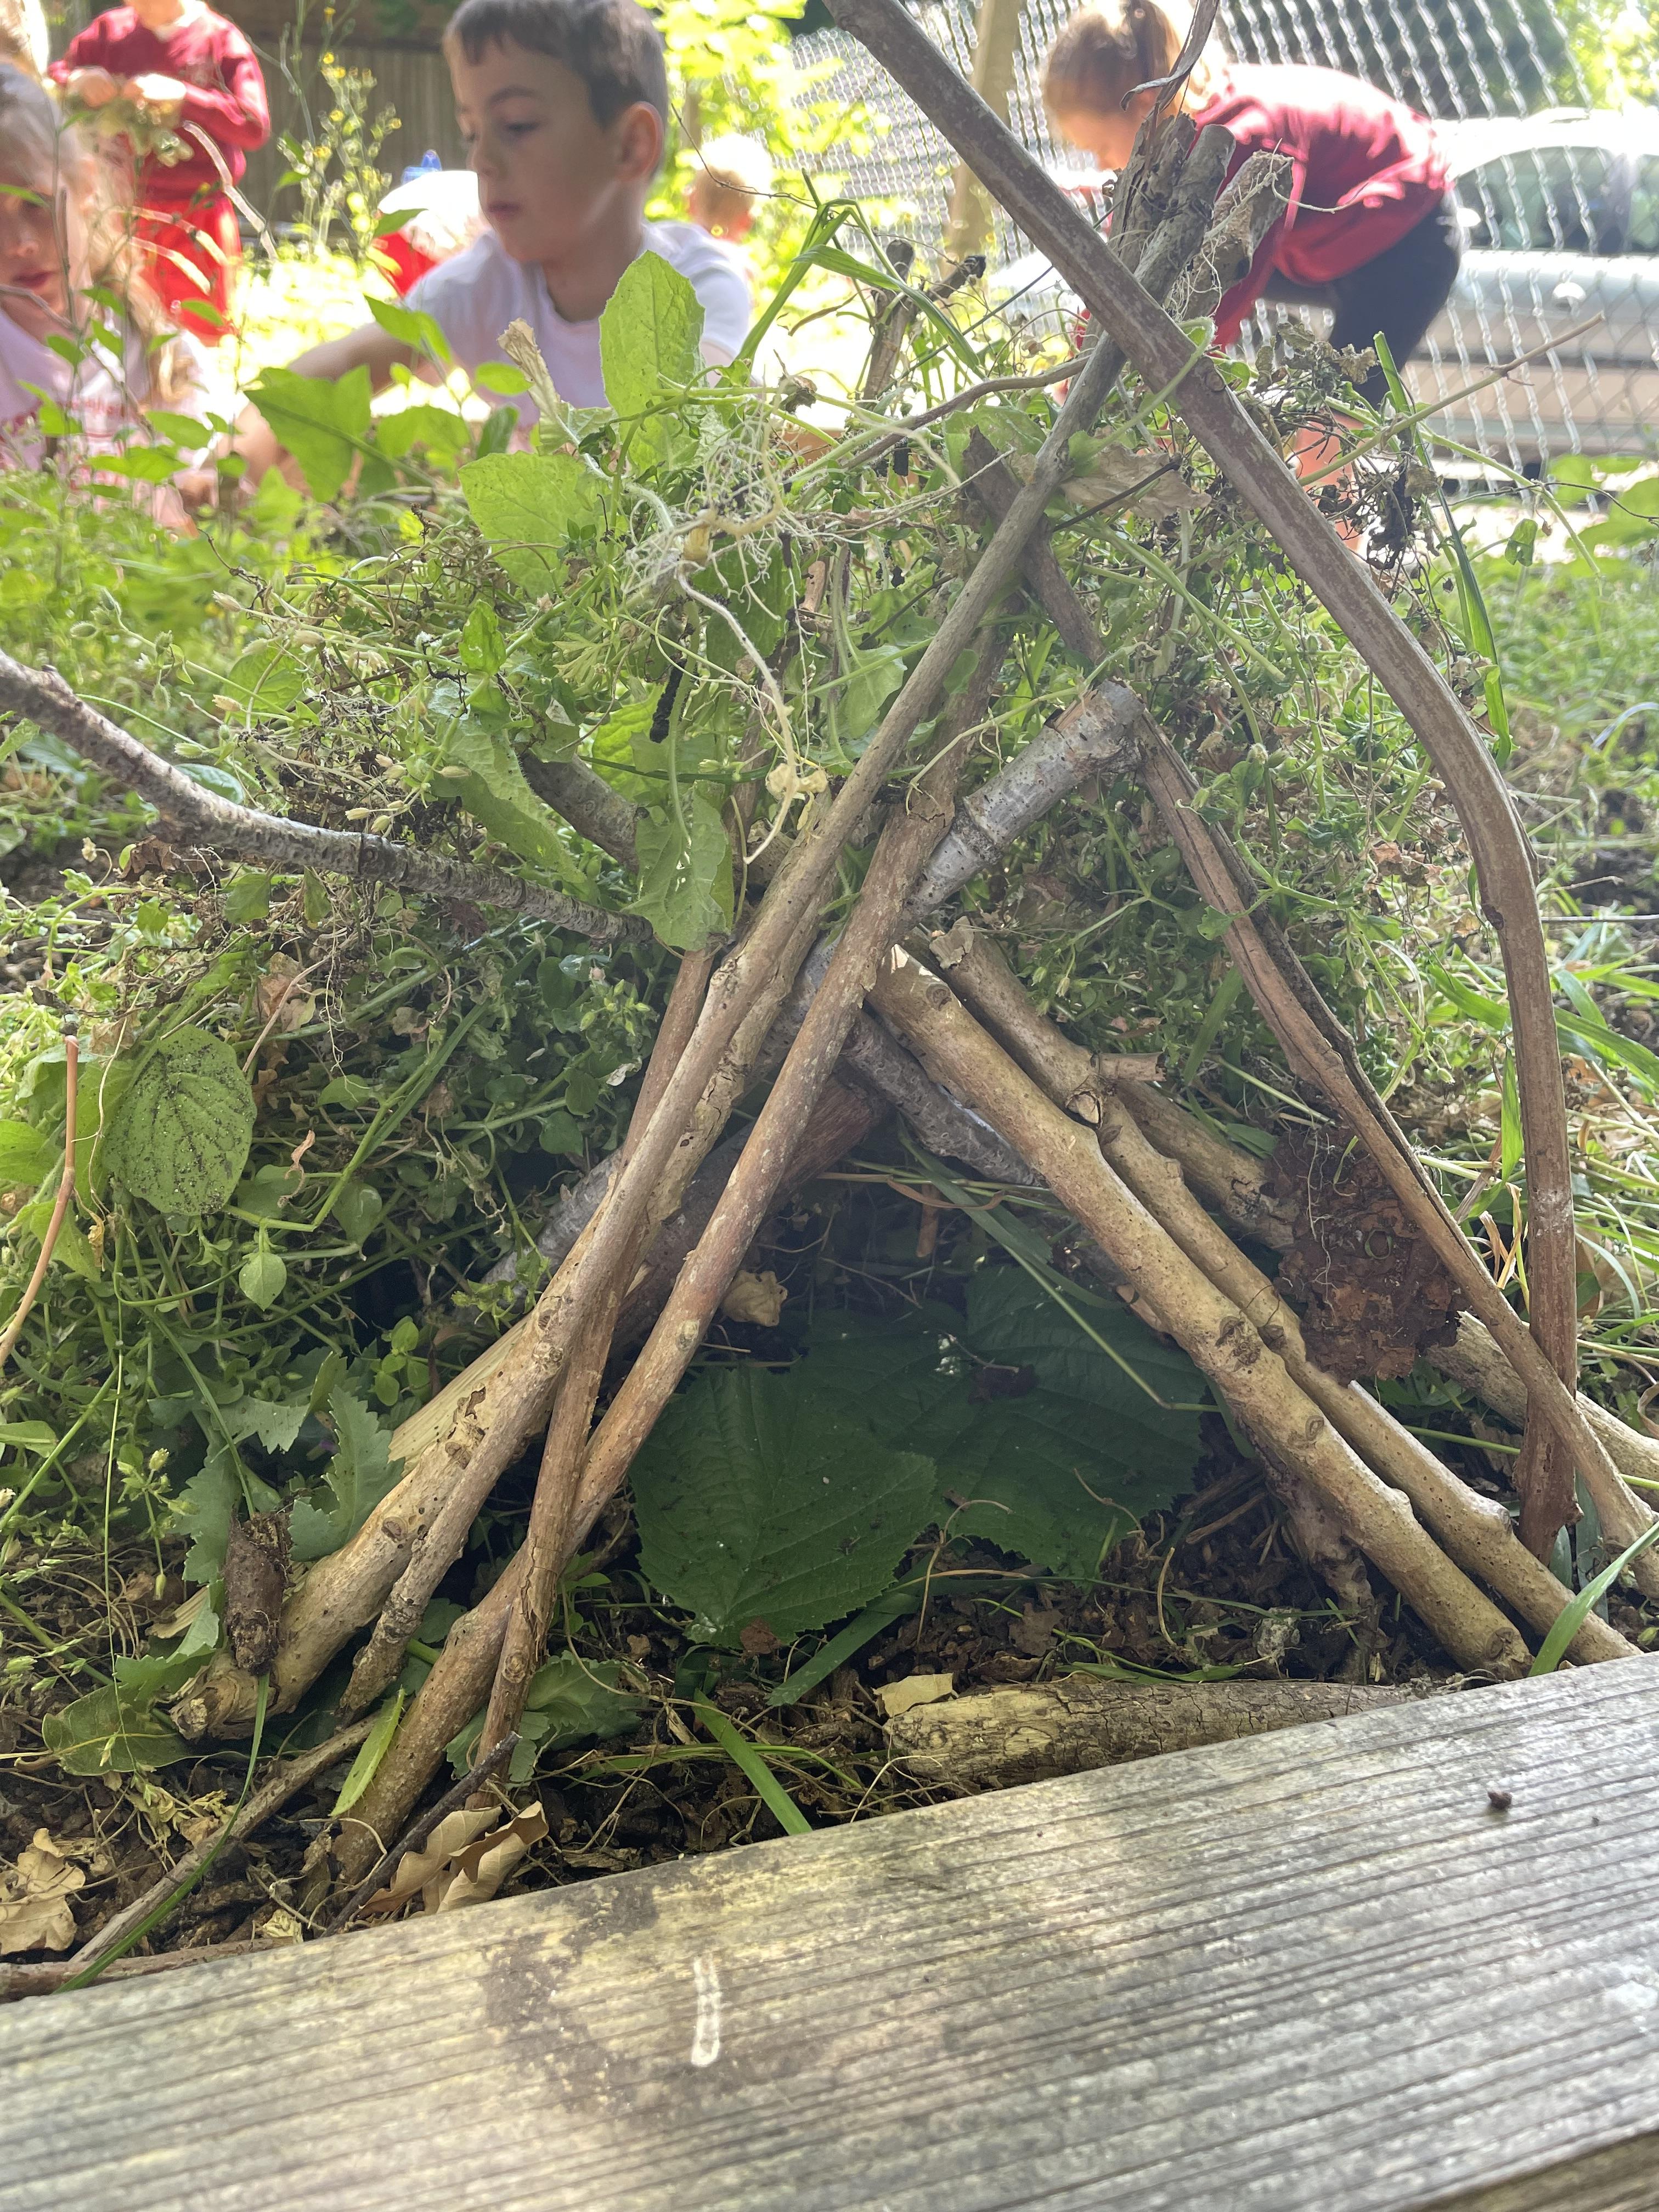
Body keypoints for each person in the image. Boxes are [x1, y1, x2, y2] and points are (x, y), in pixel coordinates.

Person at [224, 0, 752, 480]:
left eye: (517, 126)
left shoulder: (699, 286)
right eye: (472, 133)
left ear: (630, 146)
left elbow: (685, 434)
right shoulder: (486, 285)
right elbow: (338, 370)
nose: (481, 159)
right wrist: (230, 464)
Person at [1042, 0, 1460, 408]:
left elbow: (1216, 297)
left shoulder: (1242, 140)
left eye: (1099, 147)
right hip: (1323, 236)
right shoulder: (1181, 121)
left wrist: (1152, 399)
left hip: (1404, 238)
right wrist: (1079, 369)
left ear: (1144, 104)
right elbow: (1130, 262)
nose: (1101, 164)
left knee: (1335, 414)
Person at [0, 65, 205, 483]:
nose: (19, 243)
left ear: (86, 186)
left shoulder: (163, 362)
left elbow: (201, 499)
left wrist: (203, 492)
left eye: (36, 204)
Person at [49, 0, 268, 343]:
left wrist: (184, 96)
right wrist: (77, 80)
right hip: (118, 215)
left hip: (196, 218)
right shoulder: (109, 31)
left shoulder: (220, 40)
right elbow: (52, 77)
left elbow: (253, 126)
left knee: (197, 335)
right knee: (119, 331)